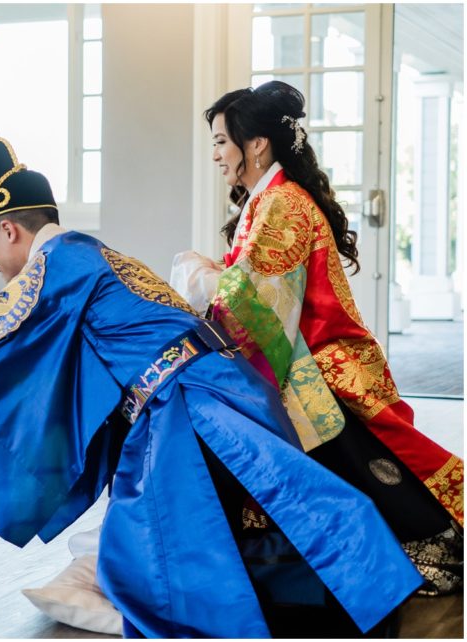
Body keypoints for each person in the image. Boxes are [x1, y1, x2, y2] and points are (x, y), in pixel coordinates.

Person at [0, 128, 423, 637]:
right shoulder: (93, 253)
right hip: (223, 387)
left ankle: (327, 603)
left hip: (185, 408)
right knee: (274, 499)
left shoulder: (54, 266)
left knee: (154, 551)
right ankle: (362, 592)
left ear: (10, 229)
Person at [171, 80, 463, 595]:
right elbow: (255, 284)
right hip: (309, 352)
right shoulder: (268, 201)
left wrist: (195, 276)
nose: (215, 154)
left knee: (351, 457)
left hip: (322, 363)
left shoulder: (282, 204)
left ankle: (429, 547)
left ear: (256, 144)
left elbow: (252, 302)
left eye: (221, 141)